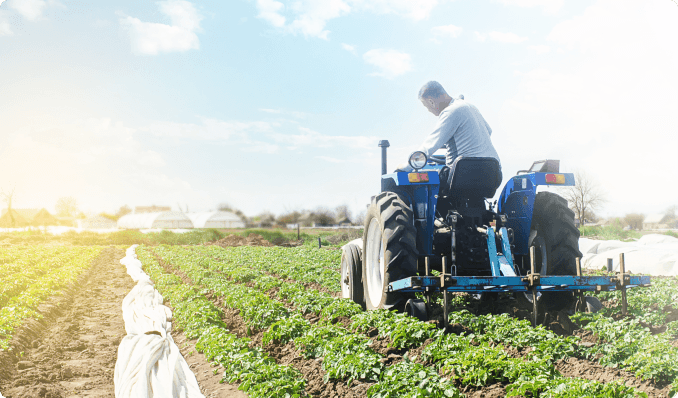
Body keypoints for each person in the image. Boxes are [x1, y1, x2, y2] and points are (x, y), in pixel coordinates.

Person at [396, 81, 501, 172]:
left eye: (426, 106)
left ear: (431, 102)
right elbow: (489, 131)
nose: (428, 110)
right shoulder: (470, 106)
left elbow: (430, 146)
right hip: (493, 171)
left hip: (465, 174)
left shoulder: (450, 112)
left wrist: (406, 166)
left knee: (428, 178)